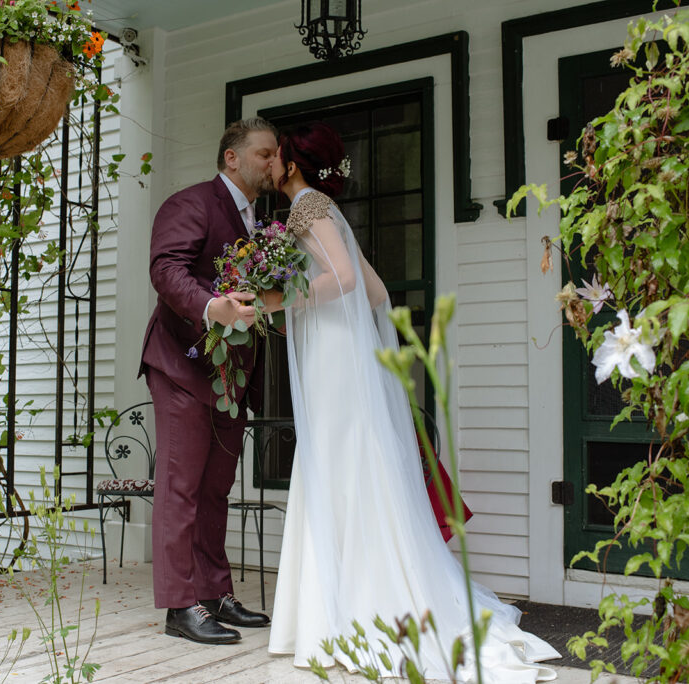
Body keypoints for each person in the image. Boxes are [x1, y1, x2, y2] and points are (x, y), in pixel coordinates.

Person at [262, 122, 561, 682]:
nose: (272, 162)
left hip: (333, 358)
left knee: (336, 469)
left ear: (292, 162)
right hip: (347, 357)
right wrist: (305, 304)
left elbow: (348, 280)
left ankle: (333, 616)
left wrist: (276, 302)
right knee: (350, 467)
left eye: (275, 152)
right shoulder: (323, 209)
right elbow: (376, 292)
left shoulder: (304, 207)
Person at [137, 118, 277, 645]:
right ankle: (180, 605)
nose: (272, 162)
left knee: (216, 488)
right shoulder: (190, 202)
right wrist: (210, 306)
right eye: (264, 154)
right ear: (233, 158)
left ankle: (215, 593)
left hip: (229, 376)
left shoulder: (257, 221)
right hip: (180, 366)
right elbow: (166, 269)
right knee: (181, 486)